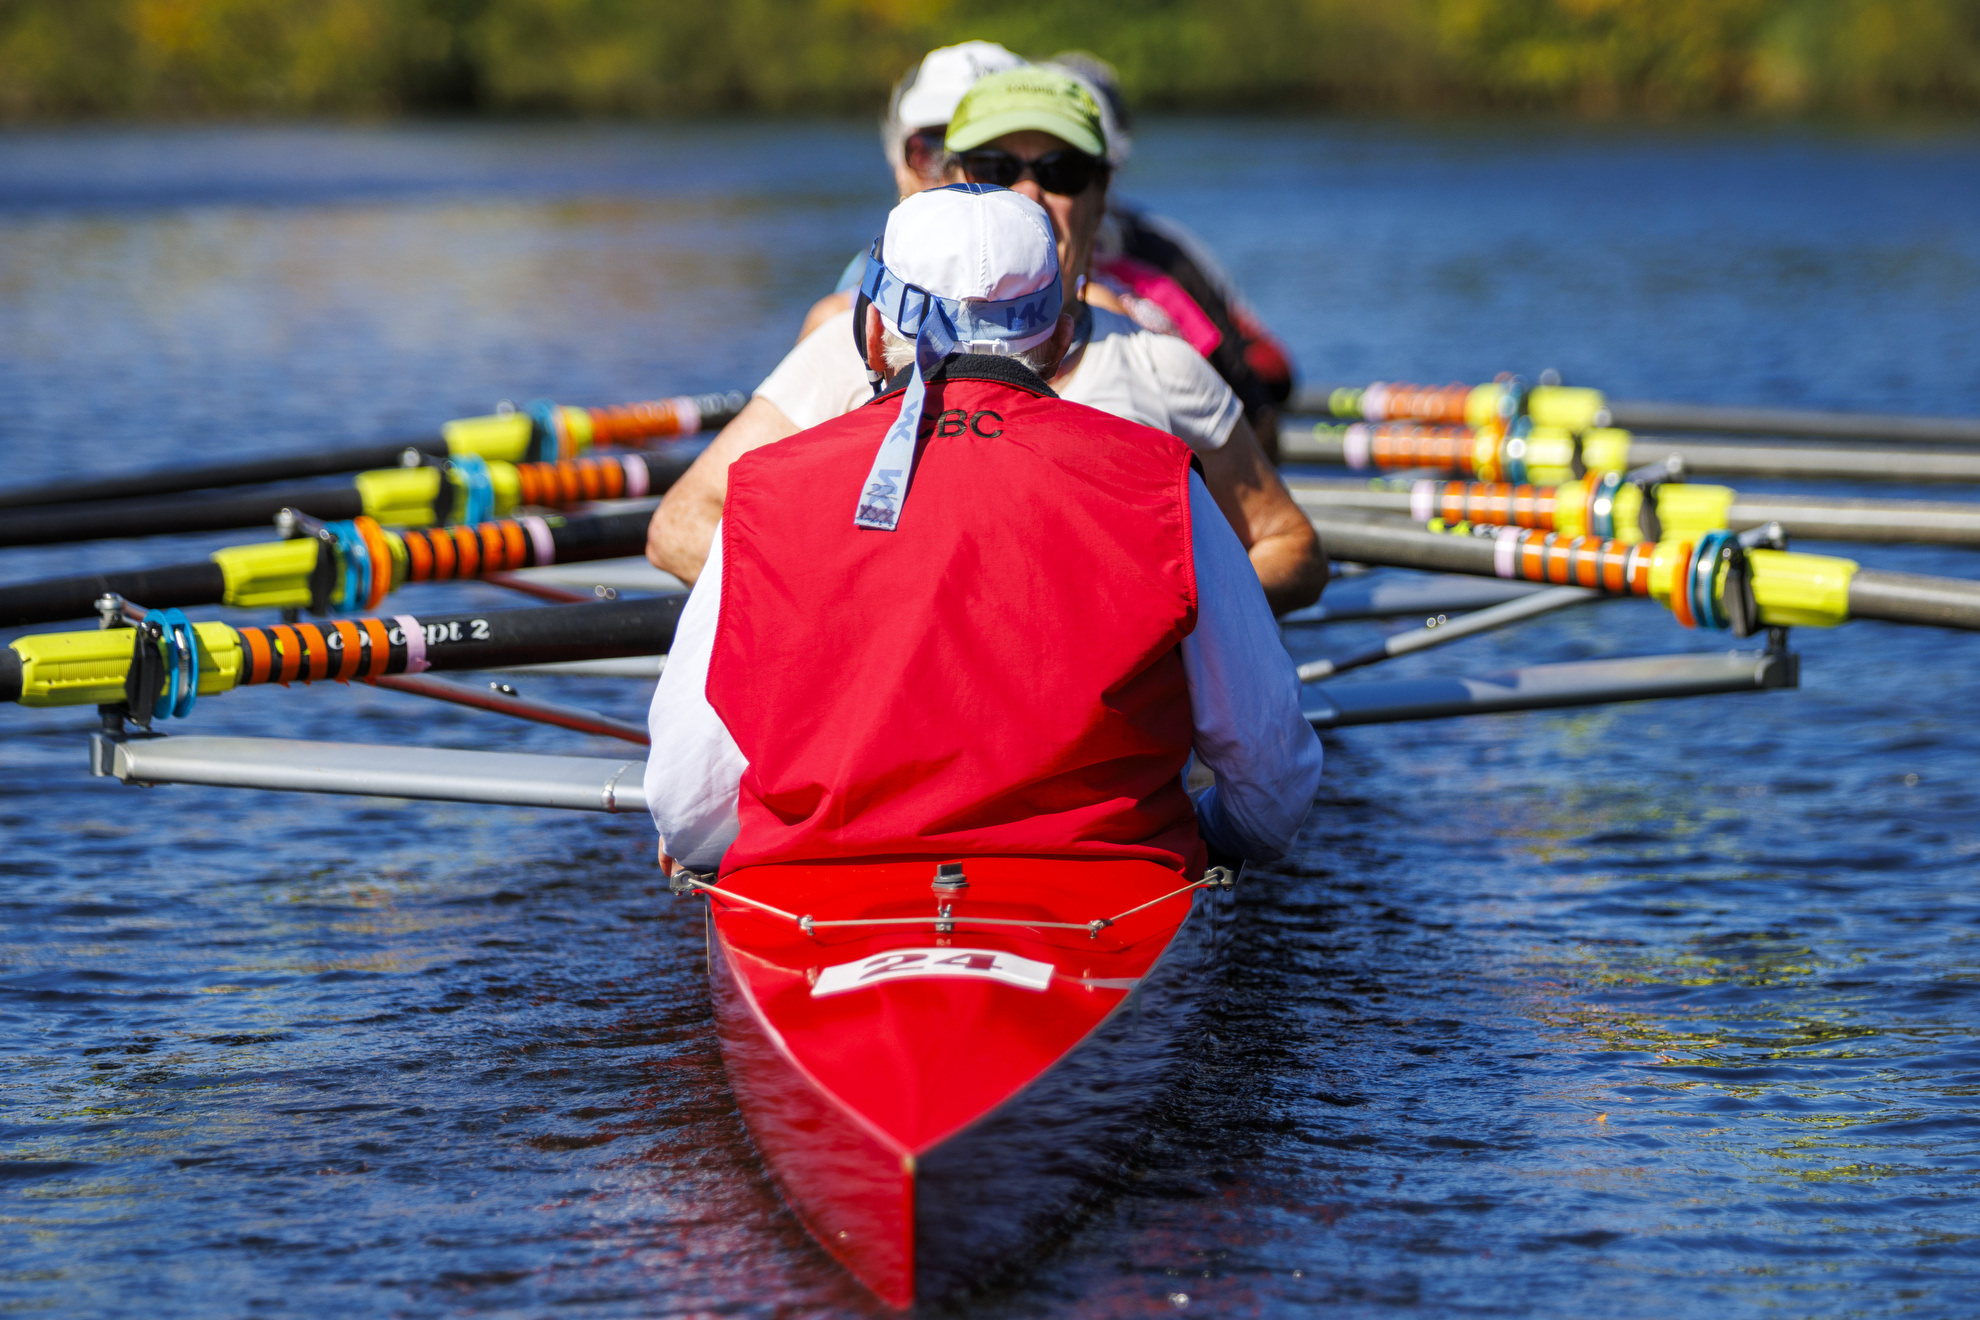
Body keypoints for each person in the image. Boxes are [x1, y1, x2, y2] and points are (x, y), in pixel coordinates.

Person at [644, 184, 1322, 878]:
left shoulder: (763, 490)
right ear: (1061, 336)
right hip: (1106, 890)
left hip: (818, 897)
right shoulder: (1167, 479)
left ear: (872, 333)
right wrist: (1203, 833)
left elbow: (686, 803)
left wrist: (741, 844)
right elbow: (1273, 787)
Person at [647, 67, 1327, 616]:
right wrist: (851, 622)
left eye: (1062, 171)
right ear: (952, 180)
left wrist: (1152, 622)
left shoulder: (1160, 363)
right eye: (998, 167)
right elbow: (681, 525)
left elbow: (1289, 545)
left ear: (1102, 191)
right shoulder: (852, 349)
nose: (1029, 192)